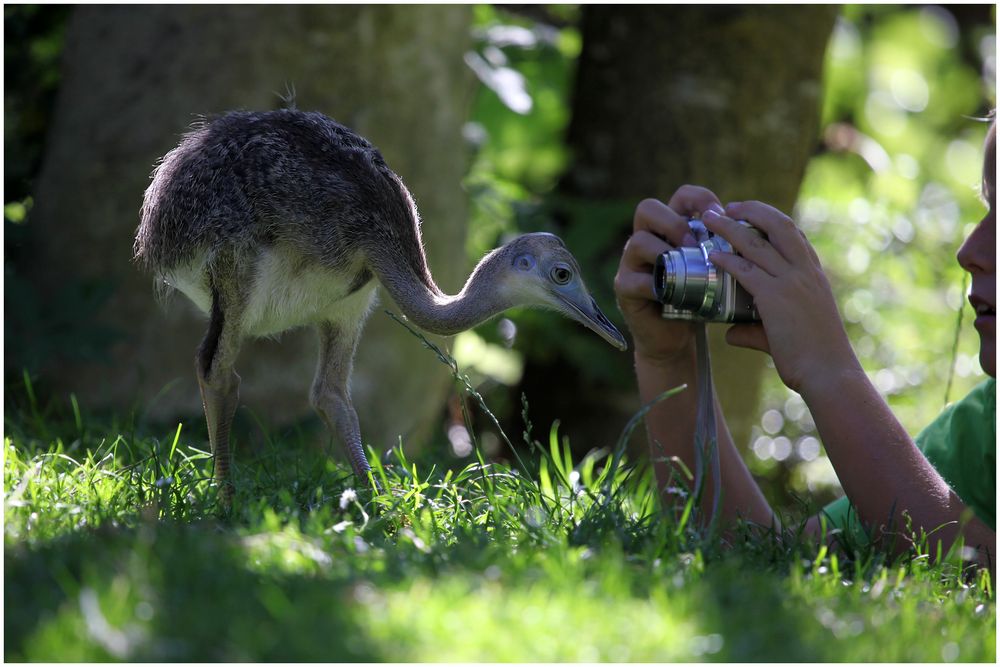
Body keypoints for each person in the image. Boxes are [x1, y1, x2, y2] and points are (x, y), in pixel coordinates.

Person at [613, 120, 995, 568]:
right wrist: (672, 361)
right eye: (988, 209)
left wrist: (831, 373)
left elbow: (980, 580)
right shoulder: (985, 432)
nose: (970, 250)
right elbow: (762, 562)